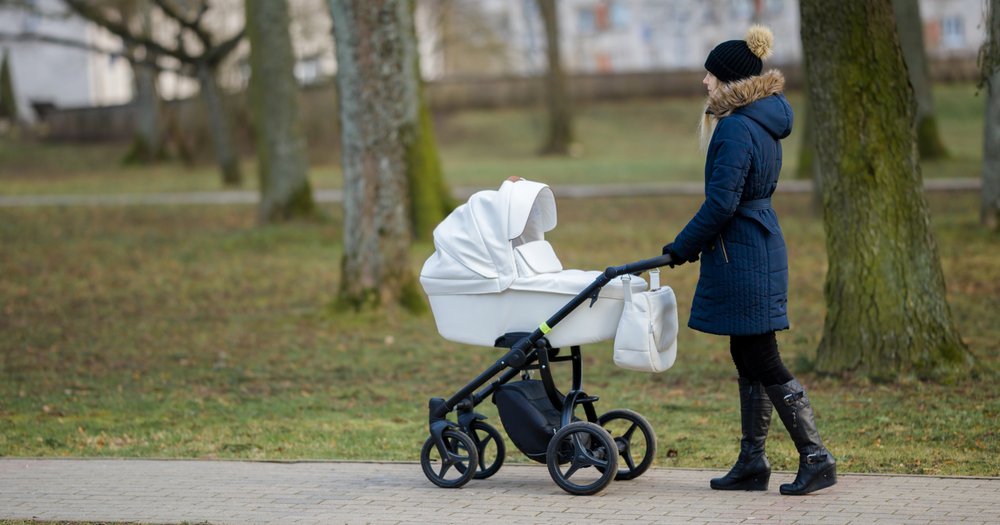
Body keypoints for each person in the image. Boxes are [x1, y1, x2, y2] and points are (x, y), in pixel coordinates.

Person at [661, 25, 837, 496]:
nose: (704, 82)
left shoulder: (737, 128)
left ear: (729, 81)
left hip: (744, 249)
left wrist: (682, 246)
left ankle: (816, 457)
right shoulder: (758, 122)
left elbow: (722, 203)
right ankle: (752, 462)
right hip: (752, 244)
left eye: (710, 74)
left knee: (761, 354)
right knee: (746, 353)